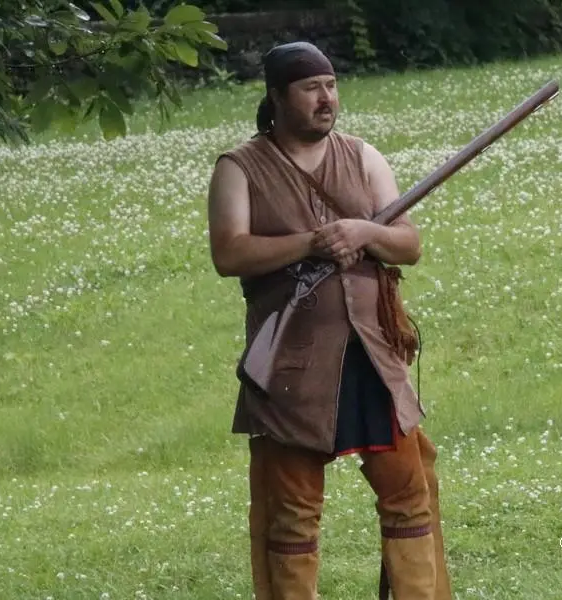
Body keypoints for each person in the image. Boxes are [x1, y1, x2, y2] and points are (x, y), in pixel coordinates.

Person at [206, 40, 452, 600]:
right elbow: (229, 253)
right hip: (291, 365)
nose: (326, 99)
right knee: (292, 515)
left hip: (372, 355)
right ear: (277, 96)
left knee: (408, 496)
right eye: (311, 88)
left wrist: (365, 232)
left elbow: (408, 245)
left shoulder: (363, 156)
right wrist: (312, 243)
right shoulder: (239, 168)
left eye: (331, 86)